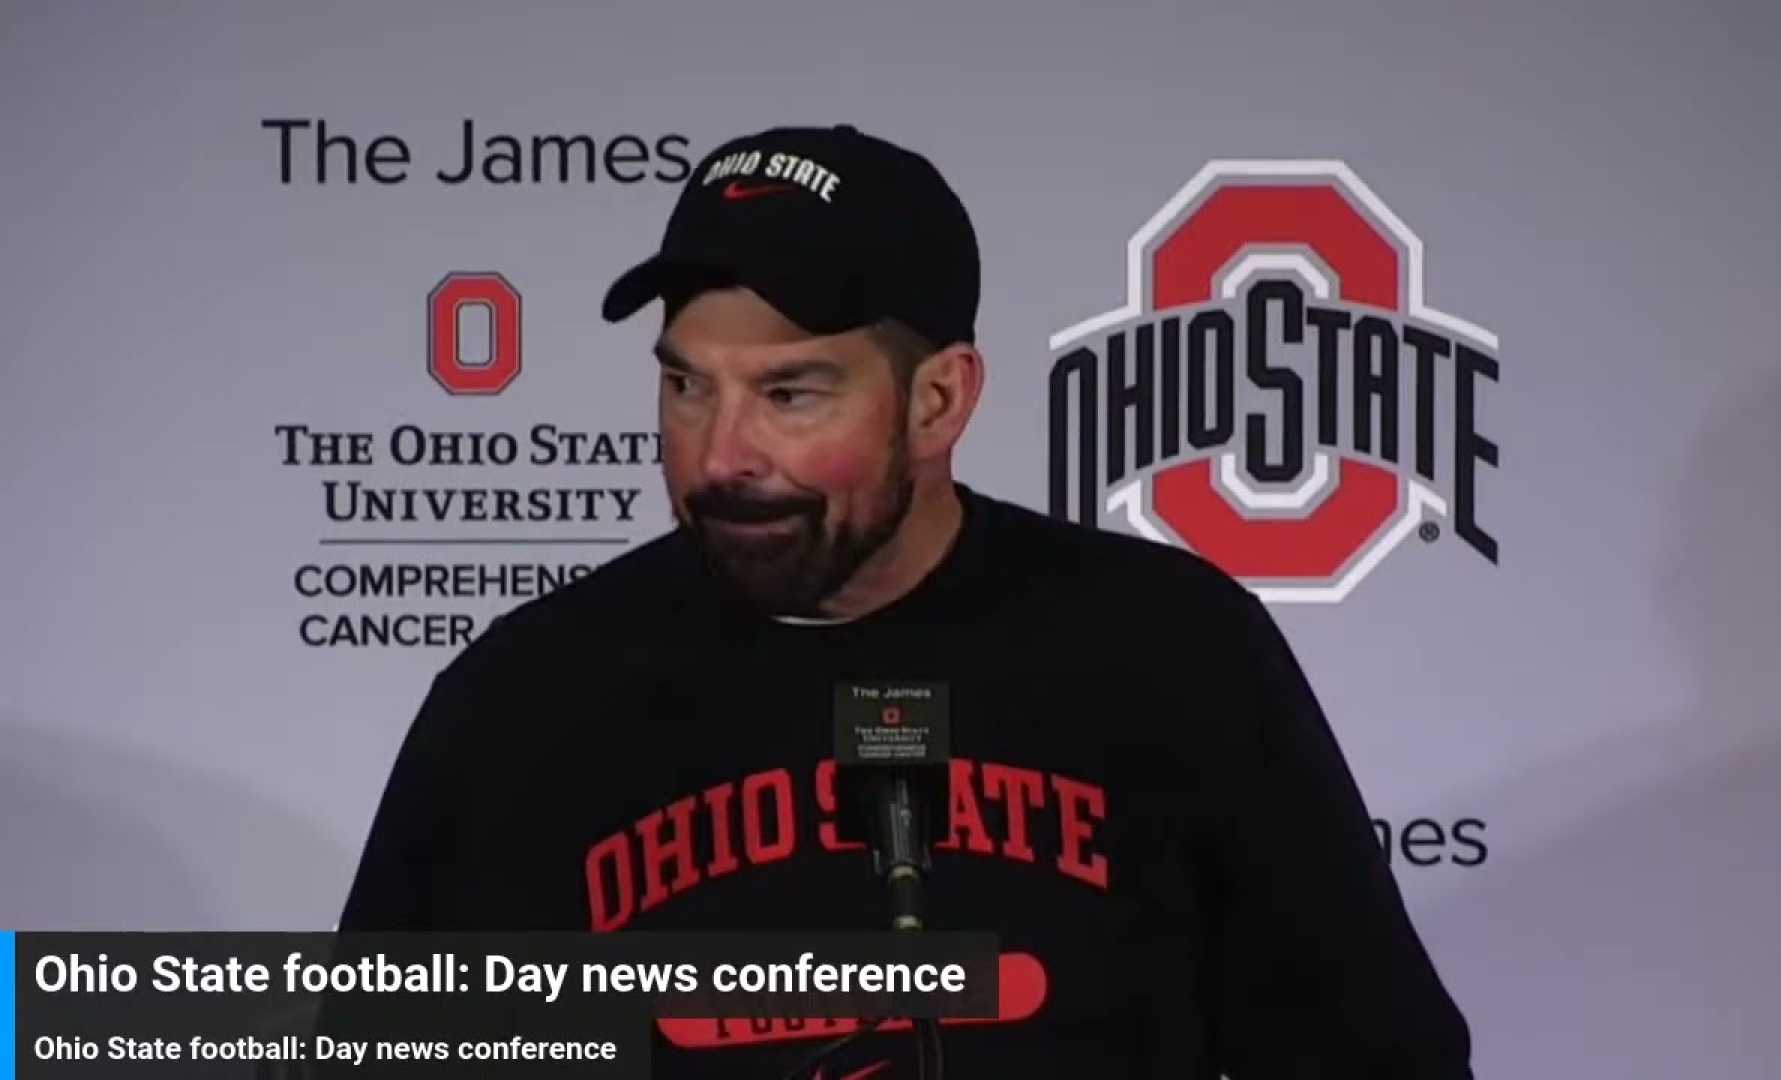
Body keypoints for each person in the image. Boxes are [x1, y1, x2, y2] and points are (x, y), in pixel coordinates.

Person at [338, 123, 1474, 1078]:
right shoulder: (526, 699)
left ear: (938, 401)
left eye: (791, 392)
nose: (720, 454)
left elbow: (1374, 1055)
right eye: (685, 384)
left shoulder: (1167, 651)